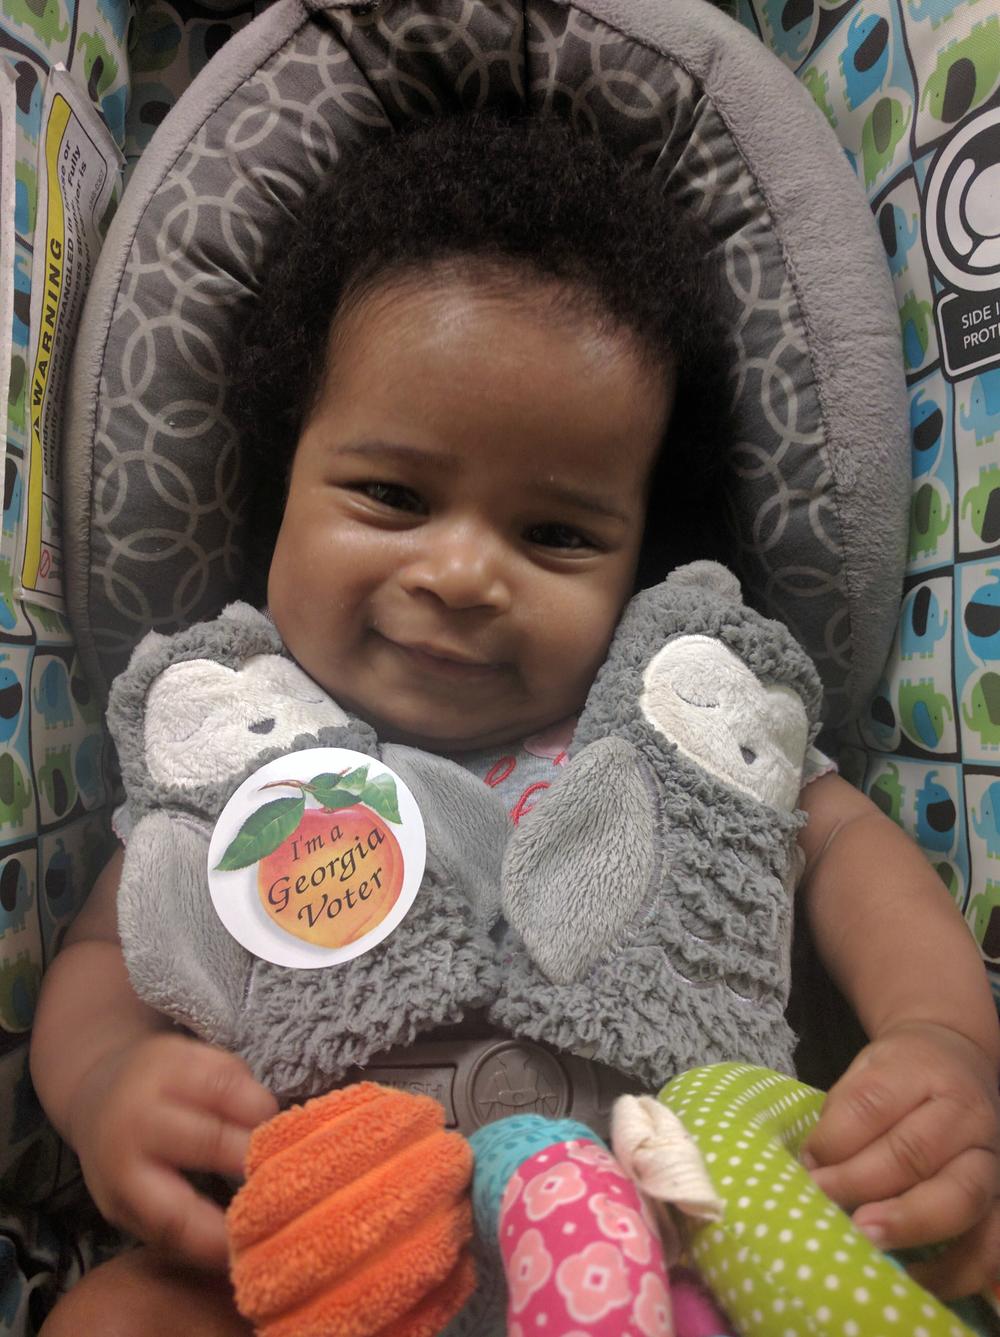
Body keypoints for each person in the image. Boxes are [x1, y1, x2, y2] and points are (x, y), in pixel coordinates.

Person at [31, 113, 1000, 1334]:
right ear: (282, 483)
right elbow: (103, 959)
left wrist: (942, 1042)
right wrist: (108, 1080)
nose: (460, 571)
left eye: (554, 534)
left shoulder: (678, 726)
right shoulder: (239, 752)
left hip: (682, 1228)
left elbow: (849, 849)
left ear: (642, 554)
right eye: (391, 495)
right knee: (117, 1318)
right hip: (338, 1253)